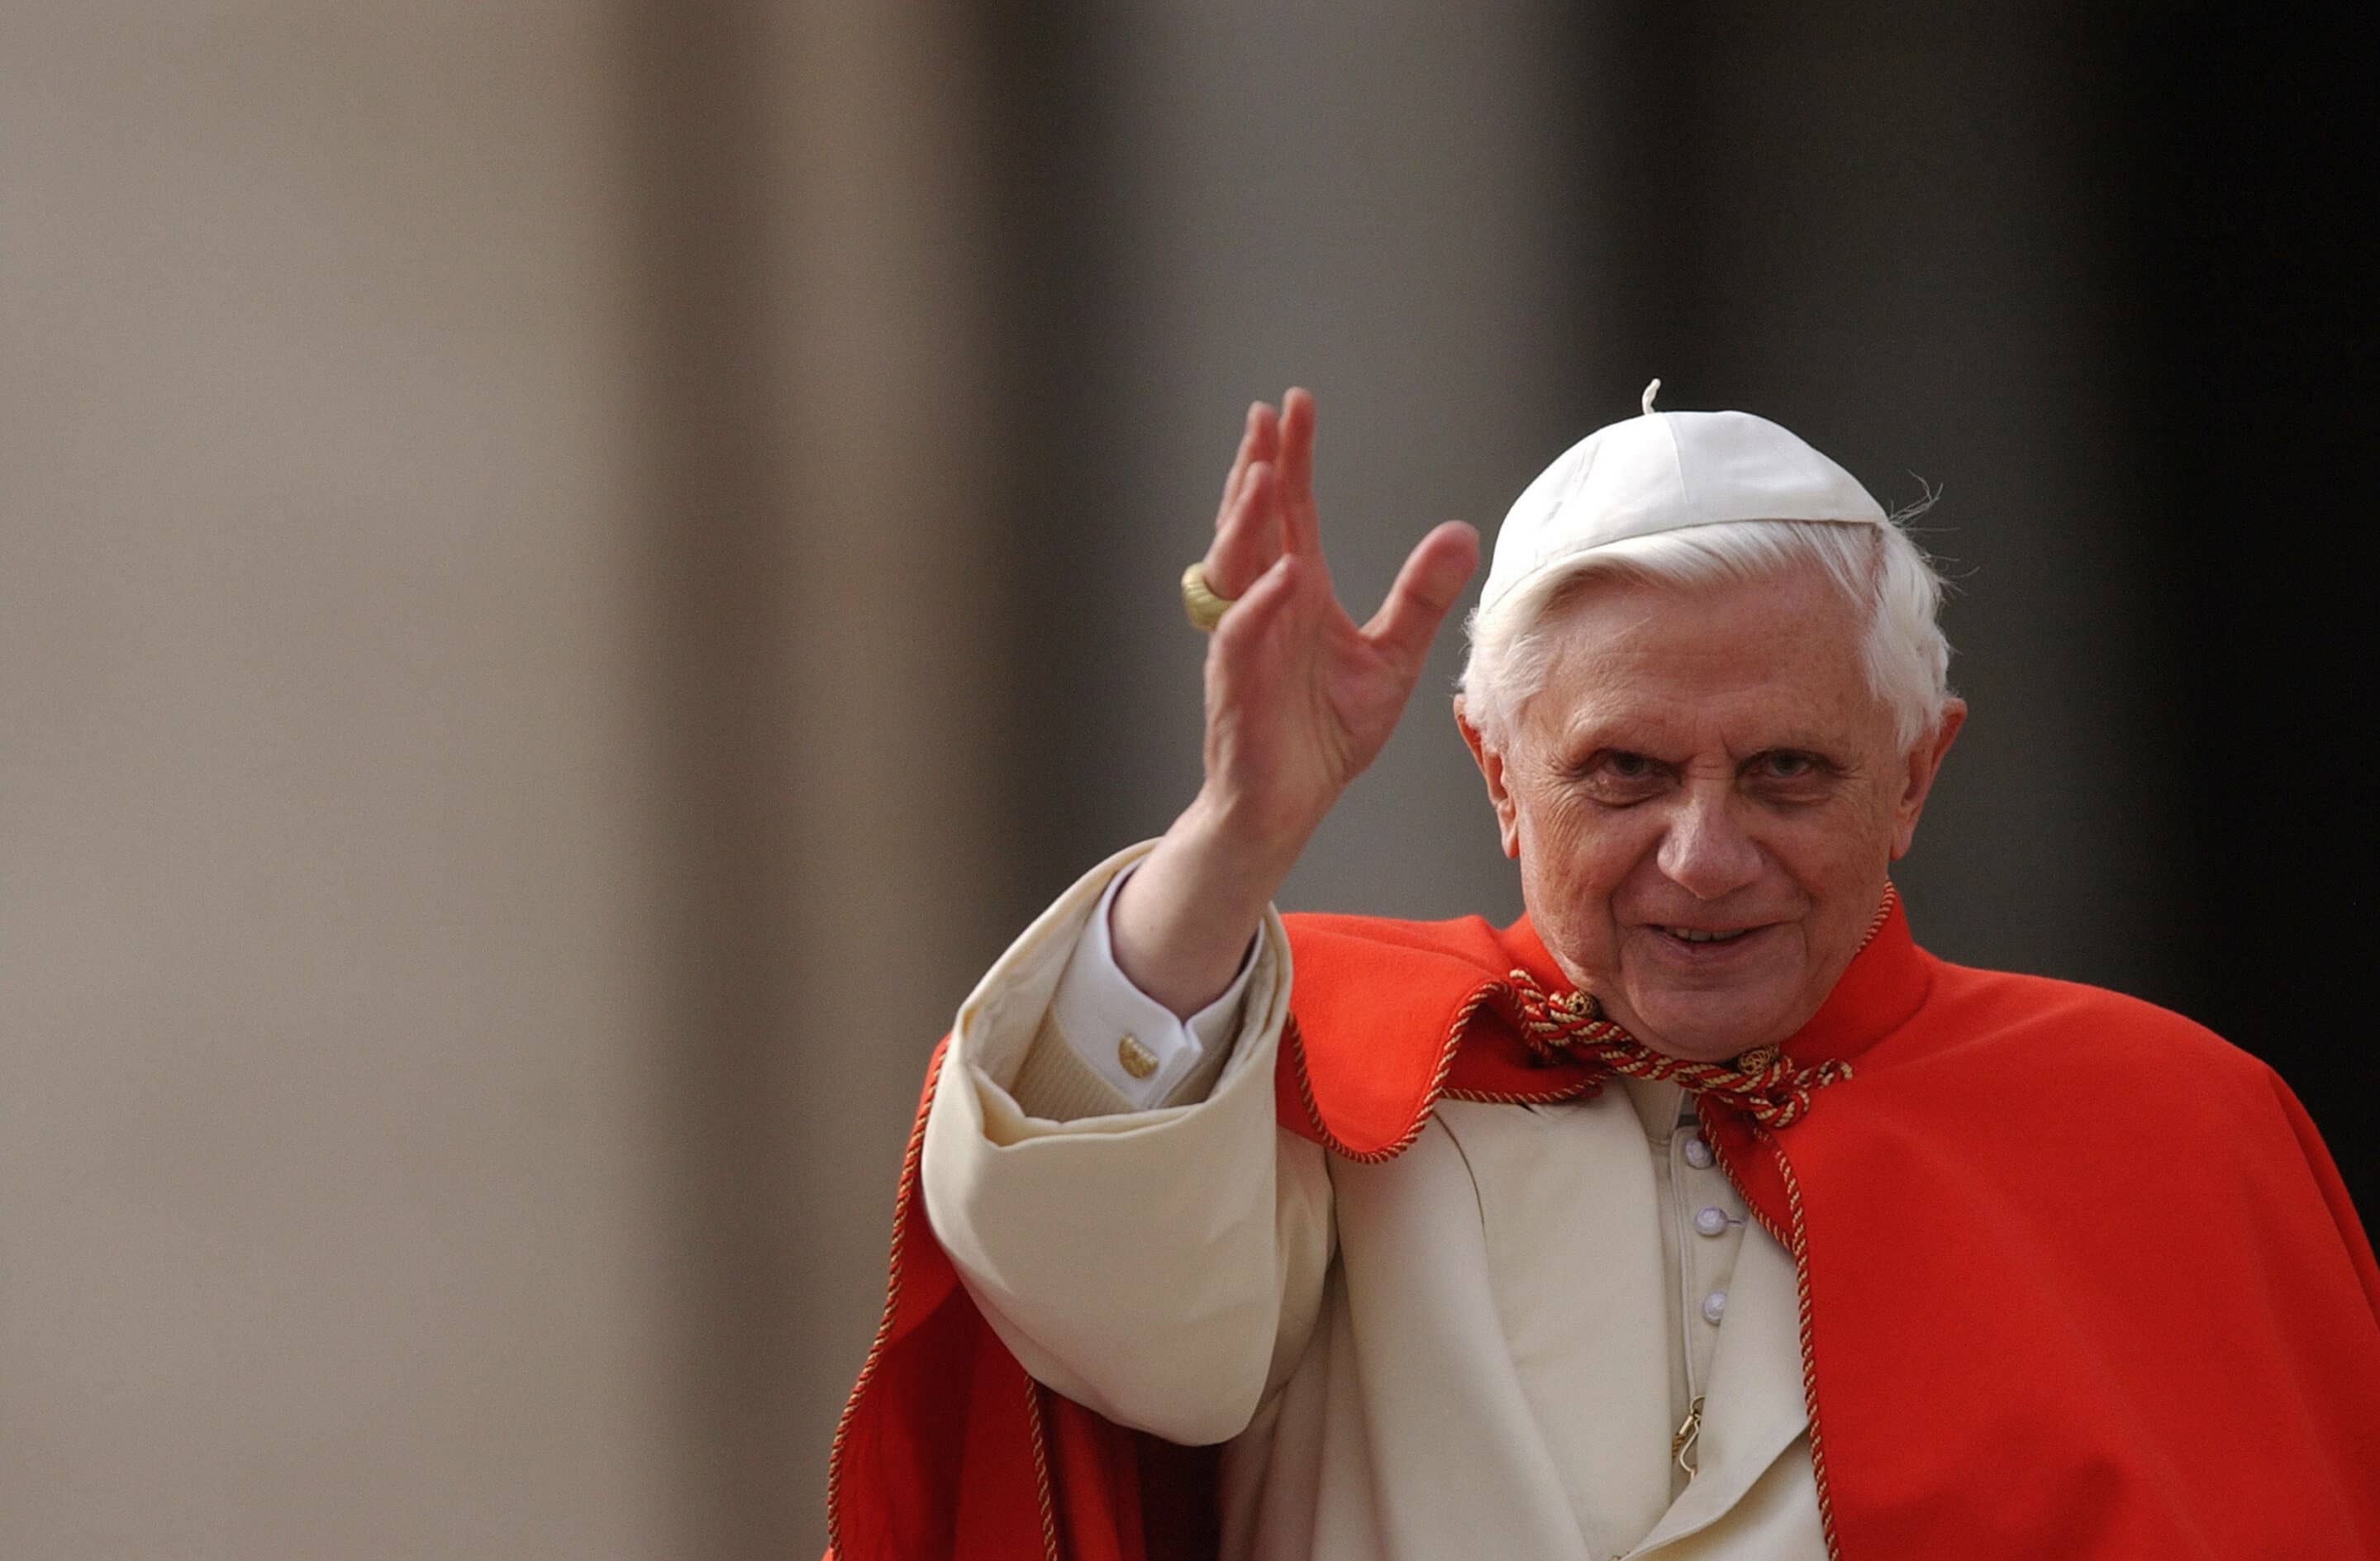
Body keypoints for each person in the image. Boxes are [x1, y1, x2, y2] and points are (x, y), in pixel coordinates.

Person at [825, 388, 2380, 1560]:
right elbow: (1099, 1304)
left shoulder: (2167, 1127)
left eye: (1786, 773)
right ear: (1497, 775)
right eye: (1623, 772)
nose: (1703, 857)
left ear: (1916, 775)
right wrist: (1236, 839)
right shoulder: (1319, 1069)